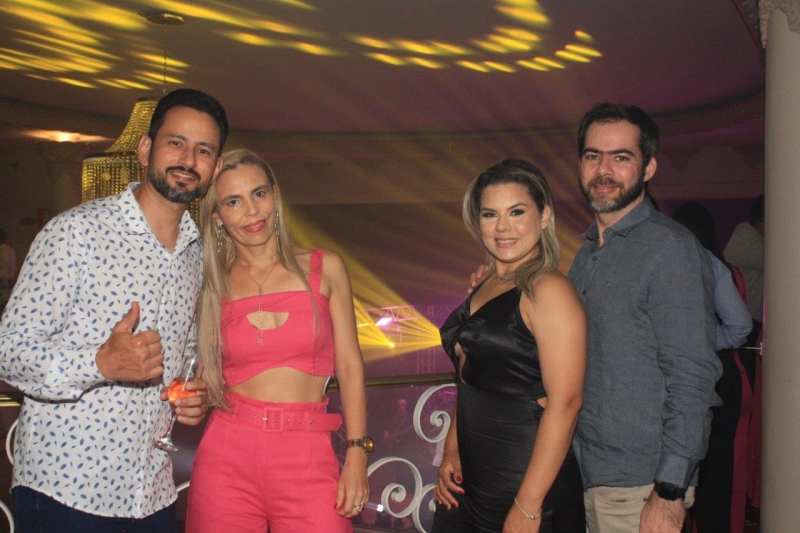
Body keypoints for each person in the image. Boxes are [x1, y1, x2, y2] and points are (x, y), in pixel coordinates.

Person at [0, 88, 224, 531]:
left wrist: (191, 393)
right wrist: (99, 363)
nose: (188, 159)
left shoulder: (198, 257)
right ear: (145, 149)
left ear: (215, 169)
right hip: (66, 488)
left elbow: (184, 355)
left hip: (151, 492)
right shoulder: (76, 233)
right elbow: (9, 350)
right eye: (175, 142)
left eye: (203, 150)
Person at [186, 149, 369, 532]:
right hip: (227, 457)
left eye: (259, 194)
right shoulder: (211, 286)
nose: (252, 211)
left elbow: (350, 366)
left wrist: (357, 453)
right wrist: (191, 398)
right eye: (233, 202)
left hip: (308, 455)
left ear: (275, 196)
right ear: (217, 217)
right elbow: (201, 376)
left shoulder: (325, 267)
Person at [569, 103, 721, 533]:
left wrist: (669, 492)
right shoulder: (584, 256)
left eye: (621, 157)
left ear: (649, 167)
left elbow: (692, 379)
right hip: (586, 474)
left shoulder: (669, 248)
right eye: (593, 156)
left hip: (642, 488)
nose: (603, 170)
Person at [433, 159, 586, 533]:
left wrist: (528, 505)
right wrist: (452, 448)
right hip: (471, 482)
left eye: (517, 212)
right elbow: (470, 378)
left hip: (524, 483)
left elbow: (566, 403)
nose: (502, 227)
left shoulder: (550, 291)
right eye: (490, 214)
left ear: (544, 215)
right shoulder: (486, 282)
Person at [672, 202, 752, 533]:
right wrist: (705, 339)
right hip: (720, 373)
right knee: (719, 474)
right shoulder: (717, 265)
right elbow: (740, 327)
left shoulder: (664, 264)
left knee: (677, 471)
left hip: (675, 377)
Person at [723, 194, 764, 387]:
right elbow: (790, 265)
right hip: (749, 323)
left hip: (747, 322)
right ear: (762, 225)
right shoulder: (749, 242)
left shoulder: (745, 234)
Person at [0, 227, 16, 312]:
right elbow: (12, 270)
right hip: (6, 291)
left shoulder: (7, 251)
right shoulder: (9, 251)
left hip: (4, 289)